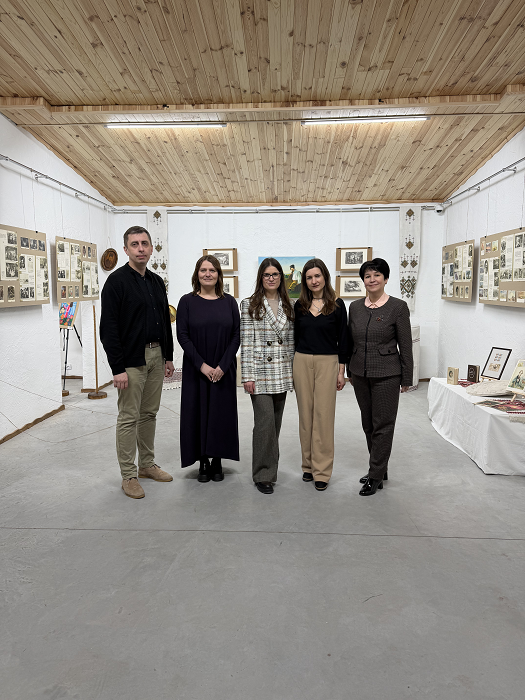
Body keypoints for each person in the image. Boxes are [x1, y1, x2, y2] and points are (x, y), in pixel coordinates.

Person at [100, 226, 175, 499]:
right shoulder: (116, 282)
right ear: (126, 249)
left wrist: (168, 356)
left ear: (151, 248)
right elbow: (108, 329)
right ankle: (129, 475)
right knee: (128, 417)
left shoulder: (156, 282)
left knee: (149, 414)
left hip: (157, 355)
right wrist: (117, 368)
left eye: (145, 243)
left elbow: (165, 321)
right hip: (131, 360)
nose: (141, 248)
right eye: (135, 244)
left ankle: (147, 465)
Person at [347, 258, 413, 496]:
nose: (372, 279)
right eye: (367, 276)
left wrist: (407, 377)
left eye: (377, 275)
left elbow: (406, 345)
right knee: (368, 424)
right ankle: (379, 468)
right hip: (359, 373)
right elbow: (350, 341)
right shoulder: (355, 307)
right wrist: (349, 370)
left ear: (386, 279)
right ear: (363, 280)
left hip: (387, 374)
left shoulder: (398, 307)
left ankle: (375, 475)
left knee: (383, 425)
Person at [177, 255, 240, 482]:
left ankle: (217, 459)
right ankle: (203, 460)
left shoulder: (229, 302)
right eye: (203, 270)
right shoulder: (187, 302)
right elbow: (182, 336)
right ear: (197, 274)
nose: (207, 274)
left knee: (221, 414)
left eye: (212, 270)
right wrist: (202, 366)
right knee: (197, 412)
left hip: (224, 368)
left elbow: (236, 336)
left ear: (219, 275)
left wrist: (223, 365)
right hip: (197, 368)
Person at [241, 258, 295, 494]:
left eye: (275, 274)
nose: (271, 278)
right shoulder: (249, 304)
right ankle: (263, 475)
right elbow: (246, 342)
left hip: (281, 371)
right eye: (267, 274)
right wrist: (248, 376)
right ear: (260, 278)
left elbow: (291, 342)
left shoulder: (289, 304)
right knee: (264, 424)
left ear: (281, 277)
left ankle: (270, 470)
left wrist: (293, 374)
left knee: (276, 424)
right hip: (260, 371)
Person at [293, 258, 348, 491]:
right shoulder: (299, 305)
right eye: (309, 277)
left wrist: (341, 371)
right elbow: (294, 337)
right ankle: (307, 466)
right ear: (304, 281)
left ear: (325, 276)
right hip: (302, 360)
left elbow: (343, 339)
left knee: (323, 416)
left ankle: (322, 471)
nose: (314, 281)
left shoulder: (337, 304)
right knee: (305, 416)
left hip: (328, 361)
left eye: (317, 276)